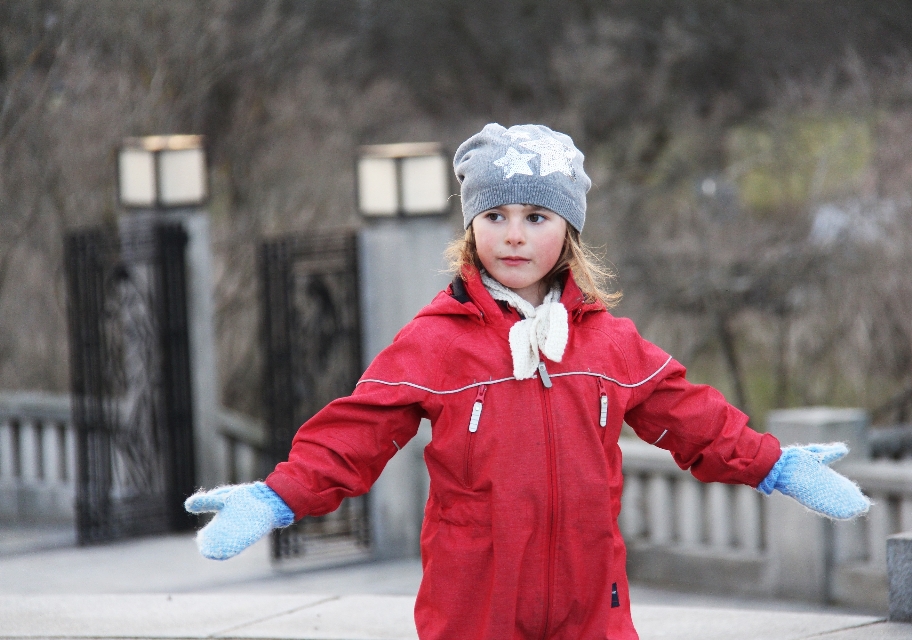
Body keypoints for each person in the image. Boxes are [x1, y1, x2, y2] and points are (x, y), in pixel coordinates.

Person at [185, 123, 870, 640]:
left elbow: (694, 418)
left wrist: (775, 464)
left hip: (590, 602)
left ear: (567, 232)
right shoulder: (435, 343)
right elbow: (354, 435)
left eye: (535, 218)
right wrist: (276, 496)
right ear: (472, 227)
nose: (513, 236)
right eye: (495, 217)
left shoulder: (607, 342)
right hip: (476, 602)